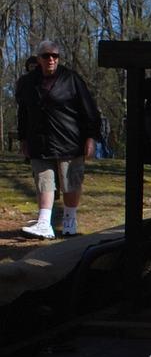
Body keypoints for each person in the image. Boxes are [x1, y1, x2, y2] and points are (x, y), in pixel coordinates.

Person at [16, 40, 101, 238]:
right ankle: (44, 223)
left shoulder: (71, 79)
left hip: (69, 140)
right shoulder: (28, 82)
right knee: (43, 181)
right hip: (39, 140)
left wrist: (91, 137)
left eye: (55, 56)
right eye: (46, 56)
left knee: (70, 181)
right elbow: (23, 112)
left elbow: (89, 110)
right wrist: (23, 139)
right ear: (39, 59)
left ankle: (70, 221)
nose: (51, 59)